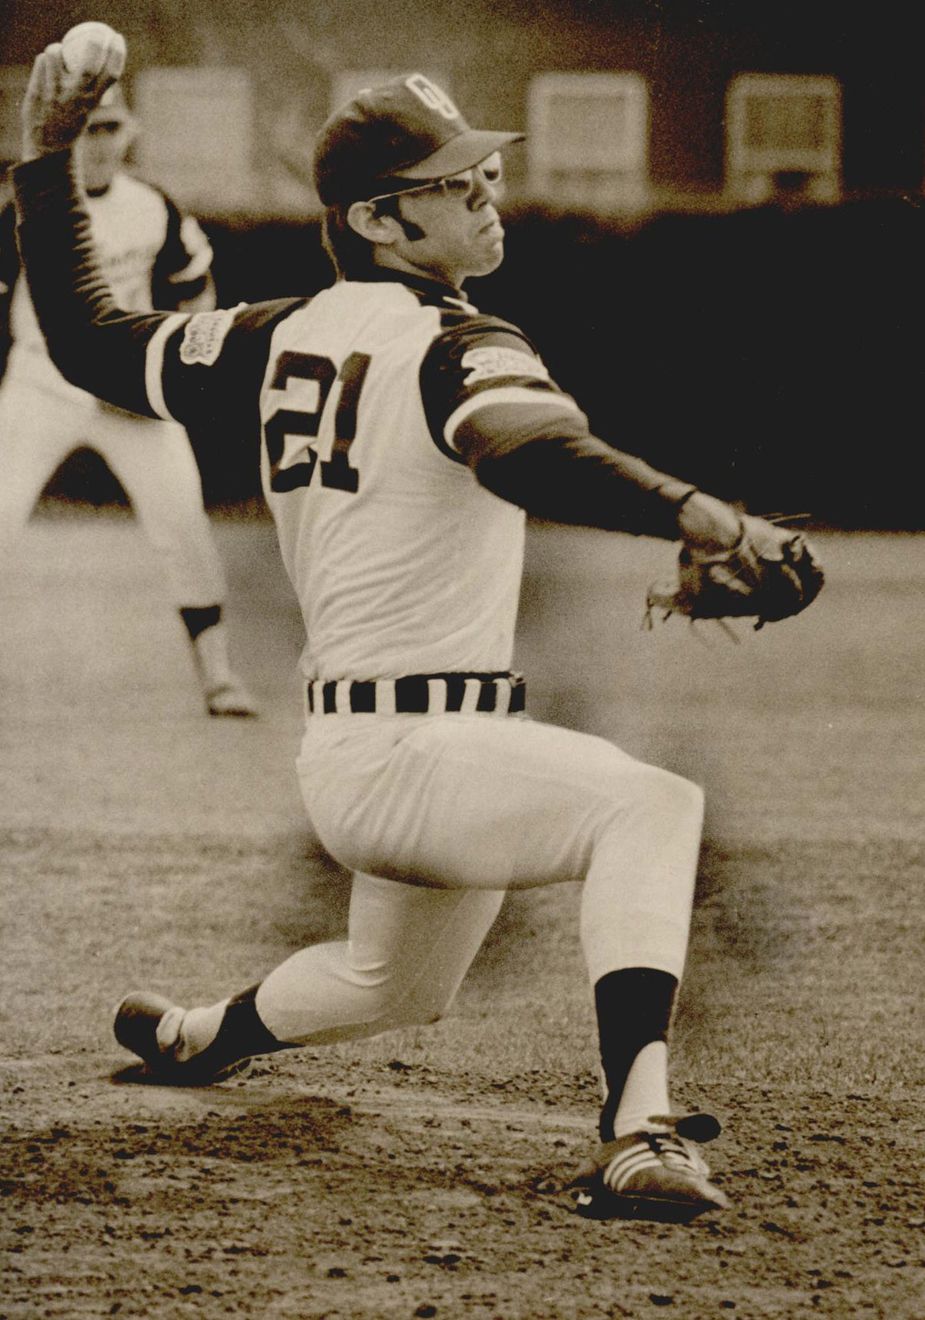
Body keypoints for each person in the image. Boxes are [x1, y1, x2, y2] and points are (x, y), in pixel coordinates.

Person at [13, 46, 820, 1221]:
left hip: (369, 757)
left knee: (392, 983)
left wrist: (45, 166)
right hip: (420, 755)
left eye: (481, 174)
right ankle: (637, 1126)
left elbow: (87, 341)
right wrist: (693, 511)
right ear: (383, 217)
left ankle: (192, 1035)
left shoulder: (268, 336)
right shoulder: (460, 342)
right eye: (457, 182)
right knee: (652, 804)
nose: (485, 193)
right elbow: (521, 446)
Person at [0, 84, 257, 718]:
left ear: (129, 131)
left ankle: (219, 677)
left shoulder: (153, 206)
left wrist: (174, 377)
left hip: (127, 387)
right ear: (64, 136)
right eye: (85, 129)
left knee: (183, 525)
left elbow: (194, 290)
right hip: (42, 381)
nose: (99, 143)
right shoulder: (29, 207)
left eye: (110, 128)